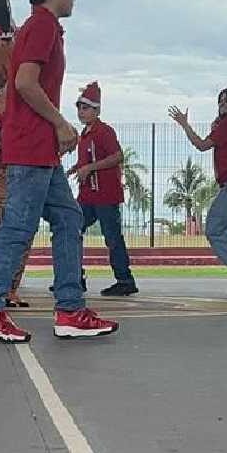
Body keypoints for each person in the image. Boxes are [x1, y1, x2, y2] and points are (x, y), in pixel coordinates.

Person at [0, 0, 119, 342]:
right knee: (19, 226)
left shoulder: (42, 27)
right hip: (32, 146)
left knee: (68, 219)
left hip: (39, 148)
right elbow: (25, 83)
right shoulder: (42, 26)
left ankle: (69, 309)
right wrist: (61, 123)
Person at [169, 83, 227, 298]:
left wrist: (185, 124)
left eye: (226, 101)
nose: (222, 104)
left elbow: (202, 145)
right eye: (220, 101)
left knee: (214, 228)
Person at [70, 81, 138, 296]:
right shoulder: (84, 135)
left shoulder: (104, 131)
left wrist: (89, 168)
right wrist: (77, 167)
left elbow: (117, 156)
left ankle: (125, 280)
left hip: (105, 194)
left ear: (96, 110)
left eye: (86, 108)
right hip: (87, 195)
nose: (81, 112)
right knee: (72, 229)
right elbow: (89, 158)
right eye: (79, 108)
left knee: (112, 237)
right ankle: (75, 277)